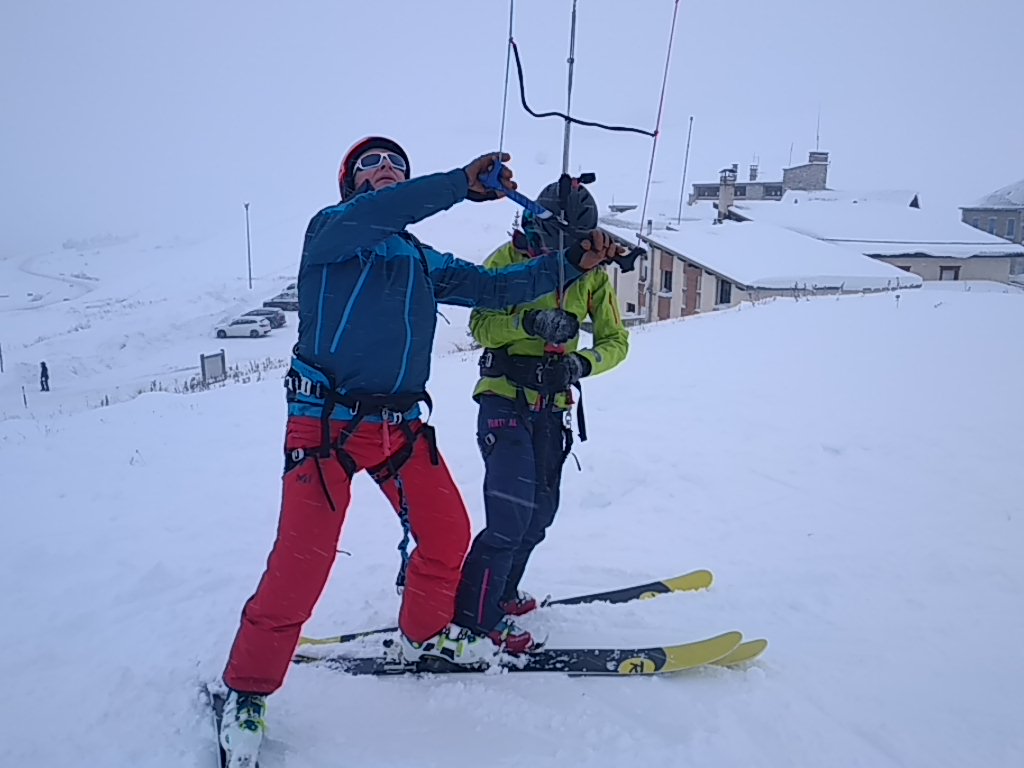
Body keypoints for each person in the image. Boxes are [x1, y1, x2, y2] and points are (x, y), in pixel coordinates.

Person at [217, 137, 621, 766]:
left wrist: (571, 265)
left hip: (401, 430)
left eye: (394, 165)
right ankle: (245, 689)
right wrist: (460, 184)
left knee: (448, 536)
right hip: (323, 429)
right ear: (350, 184)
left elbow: (495, 289)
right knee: (303, 566)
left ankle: (421, 636)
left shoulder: (417, 259)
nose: (385, 171)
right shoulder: (332, 232)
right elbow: (387, 211)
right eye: (370, 165)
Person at [454, 179, 629, 651]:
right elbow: (480, 324)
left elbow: (617, 342)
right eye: (554, 243)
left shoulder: (590, 275)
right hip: (503, 399)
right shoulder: (504, 261)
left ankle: (503, 594)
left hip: (552, 410)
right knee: (509, 516)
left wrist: (579, 363)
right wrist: (527, 323)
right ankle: (475, 619)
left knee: (538, 518)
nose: (560, 254)